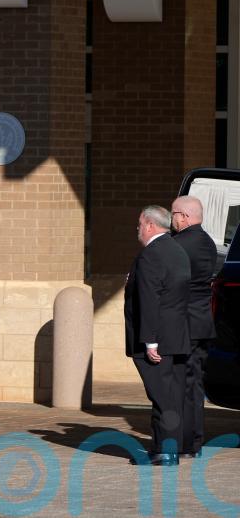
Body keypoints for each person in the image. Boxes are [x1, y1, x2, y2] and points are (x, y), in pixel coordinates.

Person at [125, 205, 191, 466]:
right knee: (170, 395)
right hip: (176, 336)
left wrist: (150, 341)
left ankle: (166, 450)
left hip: (158, 340)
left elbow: (151, 300)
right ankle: (163, 447)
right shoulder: (177, 250)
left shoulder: (151, 255)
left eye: (140, 224)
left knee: (162, 396)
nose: (138, 229)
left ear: (151, 225)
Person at [171, 195, 217, 459]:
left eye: (174, 213)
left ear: (185, 216)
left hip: (184, 325)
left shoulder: (178, 245)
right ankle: (195, 442)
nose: (172, 218)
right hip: (201, 323)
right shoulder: (208, 243)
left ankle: (185, 442)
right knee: (194, 386)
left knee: (181, 385)